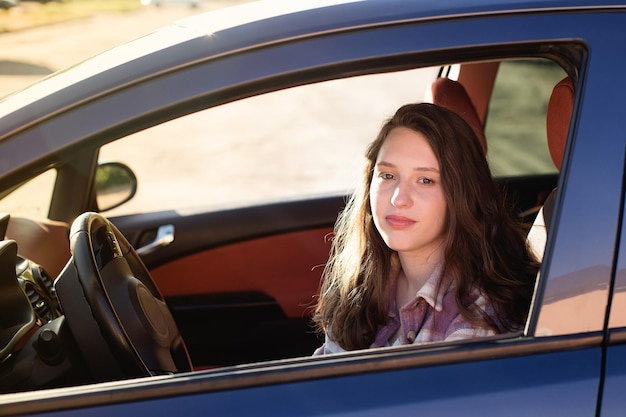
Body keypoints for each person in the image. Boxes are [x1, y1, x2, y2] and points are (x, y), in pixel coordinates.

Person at [313, 103, 539, 354]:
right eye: (387, 175)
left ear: (460, 195)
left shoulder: (479, 313)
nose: (399, 198)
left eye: (426, 180)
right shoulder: (362, 283)